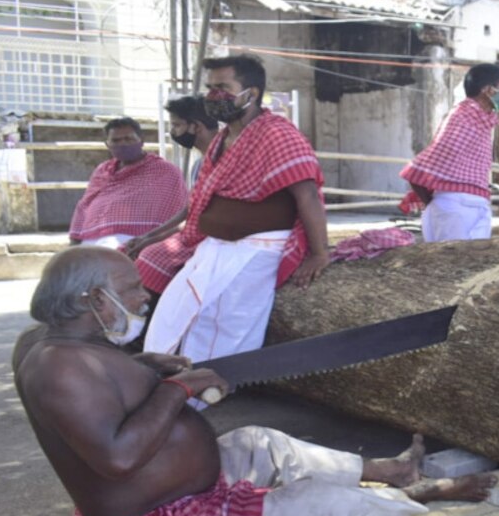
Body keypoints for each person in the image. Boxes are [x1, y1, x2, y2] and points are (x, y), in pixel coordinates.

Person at [13, 247, 497, 516]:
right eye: (132, 288)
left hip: (176, 494)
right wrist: (178, 389)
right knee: (327, 507)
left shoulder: (63, 344)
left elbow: (102, 396)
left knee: (258, 443)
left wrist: (142, 367)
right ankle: (418, 494)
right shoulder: (60, 366)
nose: (144, 297)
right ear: (93, 299)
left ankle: (388, 471)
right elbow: (117, 458)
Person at [143, 54, 331, 362]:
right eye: (210, 87)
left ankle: (200, 391)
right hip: (214, 248)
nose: (213, 96)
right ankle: (164, 378)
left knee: (224, 324)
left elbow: (308, 195)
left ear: (251, 93)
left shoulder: (277, 133)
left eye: (222, 87)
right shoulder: (222, 138)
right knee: (174, 313)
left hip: (257, 250)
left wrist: (319, 253)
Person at [399, 62, 499, 242]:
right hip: (453, 209)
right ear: (488, 90)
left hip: (476, 205)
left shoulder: (483, 120)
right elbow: (419, 170)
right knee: (450, 265)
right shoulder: (462, 117)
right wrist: (435, 205)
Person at [125, 96, 220, 298]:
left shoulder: (222, 158)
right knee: (128, 251)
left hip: (216, 235)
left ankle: (151, 318)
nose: (173, 132)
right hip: (197, 231)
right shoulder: (200, 162)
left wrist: (154, 240)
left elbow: (206, 217)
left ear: (196, 127)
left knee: (150, 259)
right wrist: (148, 236)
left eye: (176, 125)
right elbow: (190, 208)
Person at [67, 117, 187, 249]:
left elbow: (178, 211)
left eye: (128, 139)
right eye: (116, 141)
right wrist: (74, 240)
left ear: (141, 141)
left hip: (137, 240)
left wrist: (148, 240)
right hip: (91, 237)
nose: (123, 144)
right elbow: (84, 205)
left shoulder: (165, 171)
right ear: (107, 145)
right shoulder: (102, 170)